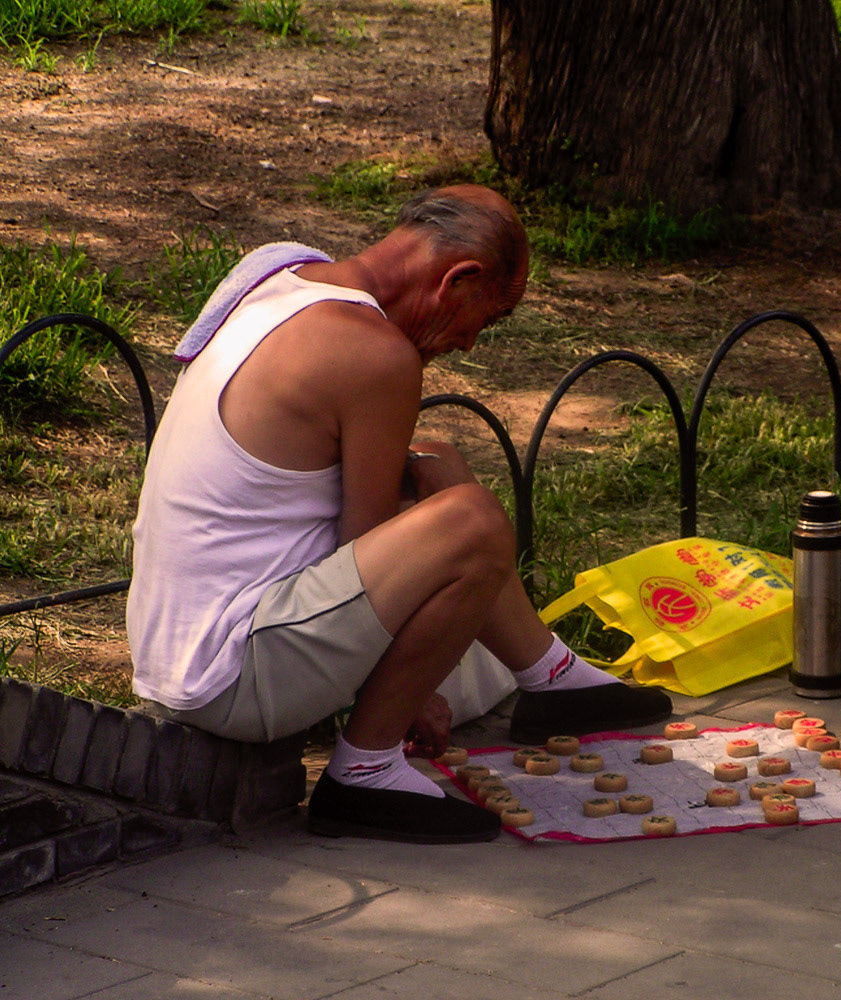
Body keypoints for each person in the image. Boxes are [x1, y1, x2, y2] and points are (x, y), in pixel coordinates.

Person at [127, 185, 671, 844]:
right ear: (458, 280)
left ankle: (550, 678)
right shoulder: (375, 352)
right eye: (488, 317)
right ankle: (365, 771)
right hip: (230, 677)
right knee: (470, 523)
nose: (469, 343)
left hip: (181, 647)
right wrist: (409, 696)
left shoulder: (286, 274)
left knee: (438, 463)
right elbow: (365, 546)